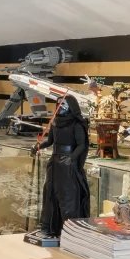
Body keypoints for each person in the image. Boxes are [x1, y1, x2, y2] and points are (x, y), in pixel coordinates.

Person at [36, 94, 90, 244]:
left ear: (70, 106)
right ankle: (49, 227)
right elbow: (50, 141)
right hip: (54, 163)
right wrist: (38, 146)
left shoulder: (76, 124)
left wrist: (71, 158)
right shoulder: (55, 123)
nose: (60, 107)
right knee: (50, 193)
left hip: (68, 165)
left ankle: (70, 229)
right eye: (59, 104)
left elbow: (82, 145)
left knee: (68, 196)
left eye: (64, 104)